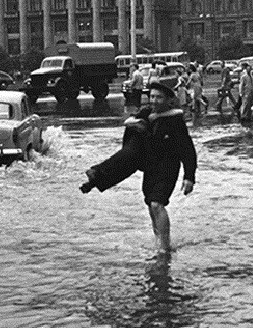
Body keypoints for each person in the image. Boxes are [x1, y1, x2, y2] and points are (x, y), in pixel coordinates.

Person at [80, 82, 197, 251]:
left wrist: (189, 177)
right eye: (152, 97)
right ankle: (159, 240)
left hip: (168, 166)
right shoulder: (147, 112)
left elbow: (187, 150)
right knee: (150, 204)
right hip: (150, 164)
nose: (154, 101)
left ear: (169, 101)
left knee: (157, 203)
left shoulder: (176, 121)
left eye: (159, 97)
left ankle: (165, 247)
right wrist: (139, 125)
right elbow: (129, 122)